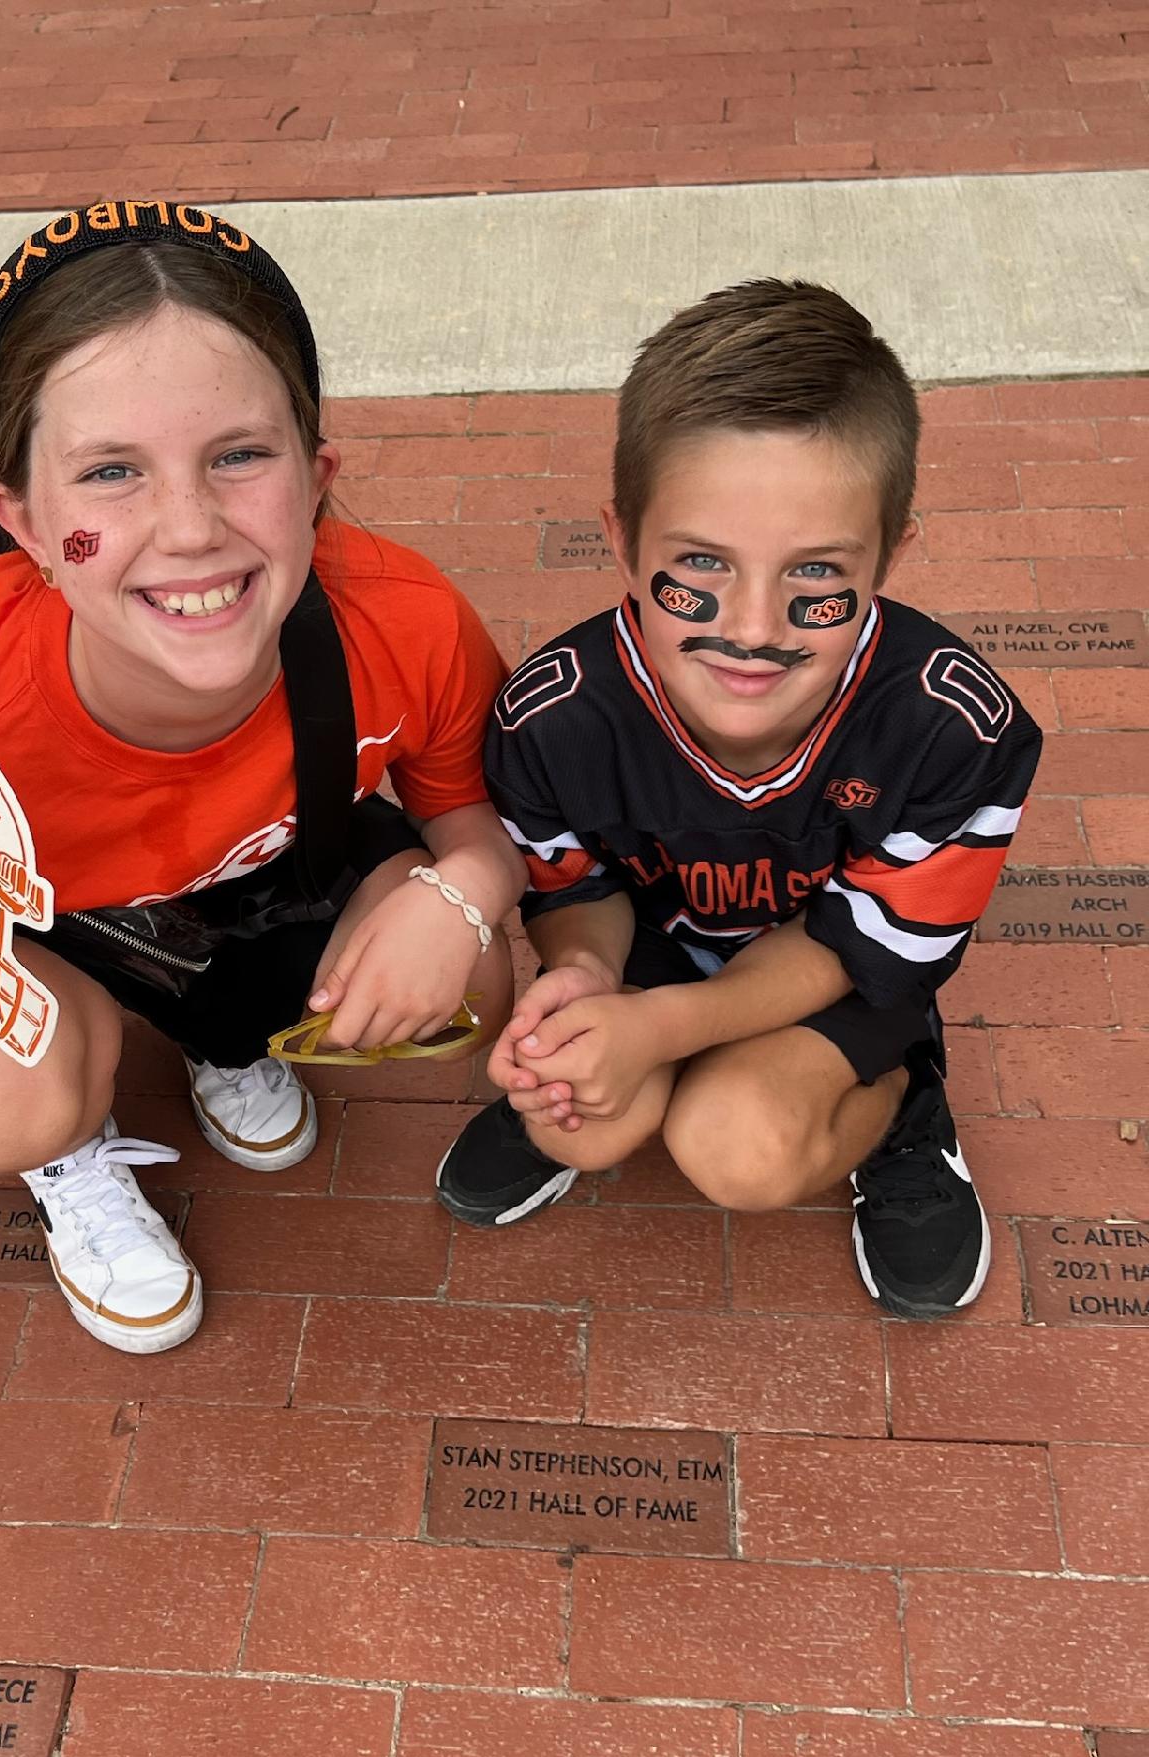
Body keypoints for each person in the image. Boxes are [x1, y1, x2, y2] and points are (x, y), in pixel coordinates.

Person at [0, 201, 522, 1354]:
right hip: (36, 925)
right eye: (111, 472)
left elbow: (477, 821)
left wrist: (459, 899)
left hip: (261, 884)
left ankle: (228, 1037)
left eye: (240, 456)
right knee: (1, 1097)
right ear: (20, 519)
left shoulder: (402, 622)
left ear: (317, 479)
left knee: (484, 982)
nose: (191, 527)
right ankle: (69, 1150)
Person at [436, 280, 1041, 1320]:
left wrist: (662, 1029)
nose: (754, 627)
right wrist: (582, 985)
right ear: (623, 544)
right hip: (660, 946)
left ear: (891, 555)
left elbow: (860, 945)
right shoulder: (552, 717)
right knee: (579, 1116)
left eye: (816, 573)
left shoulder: (955, 728)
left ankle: (903, 1099)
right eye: (700, 566)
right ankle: (631, 1060)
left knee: (740, 1150)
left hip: (840, 964)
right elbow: (567, 883)